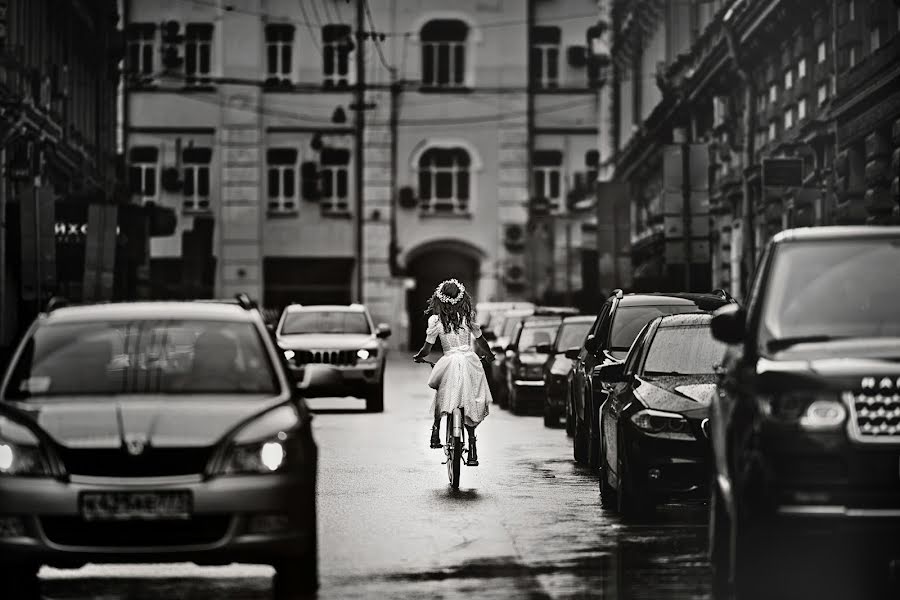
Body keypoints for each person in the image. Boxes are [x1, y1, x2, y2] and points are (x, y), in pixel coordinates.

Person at [412, 279, 494, 466]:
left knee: (442, 393)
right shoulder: (468, 318)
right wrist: (489, 355)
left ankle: (435, 429)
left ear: (439, 300)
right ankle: (472, 446)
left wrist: (419, 356)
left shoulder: (436, 320)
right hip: (469, 361)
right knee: (471, 400)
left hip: (449, 361)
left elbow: (427, 348)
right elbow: (481, 342)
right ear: (462, 298)